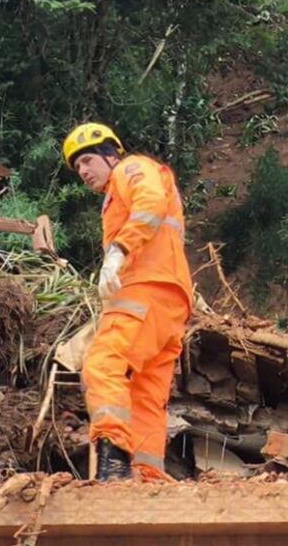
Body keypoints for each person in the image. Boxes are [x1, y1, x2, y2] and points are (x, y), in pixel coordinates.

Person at [60, 122, 193, 481]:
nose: (84, 171)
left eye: (87, 160)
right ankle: (147, 473)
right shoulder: (121, 189)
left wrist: (120, 248)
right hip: (170, 296)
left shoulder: (131, 169)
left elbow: (149, 204)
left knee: (103, 365)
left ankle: (115, 464)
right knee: (146, 389)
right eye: (78, 168)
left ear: (110, 153)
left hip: (145, 288)